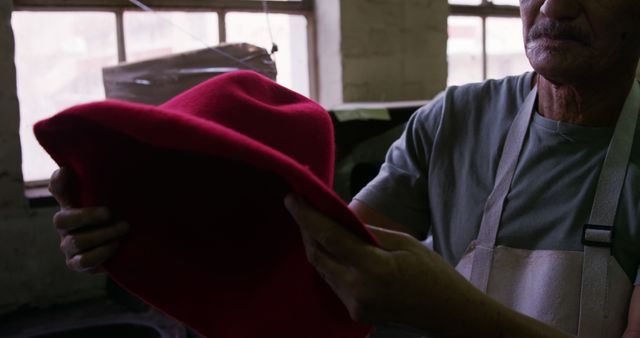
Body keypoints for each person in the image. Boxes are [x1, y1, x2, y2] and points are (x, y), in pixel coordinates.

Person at [49, 0, 640, 336]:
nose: (555, 5)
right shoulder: (456, 119)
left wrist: (454, 314)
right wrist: (144, 231)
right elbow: (321, 265)